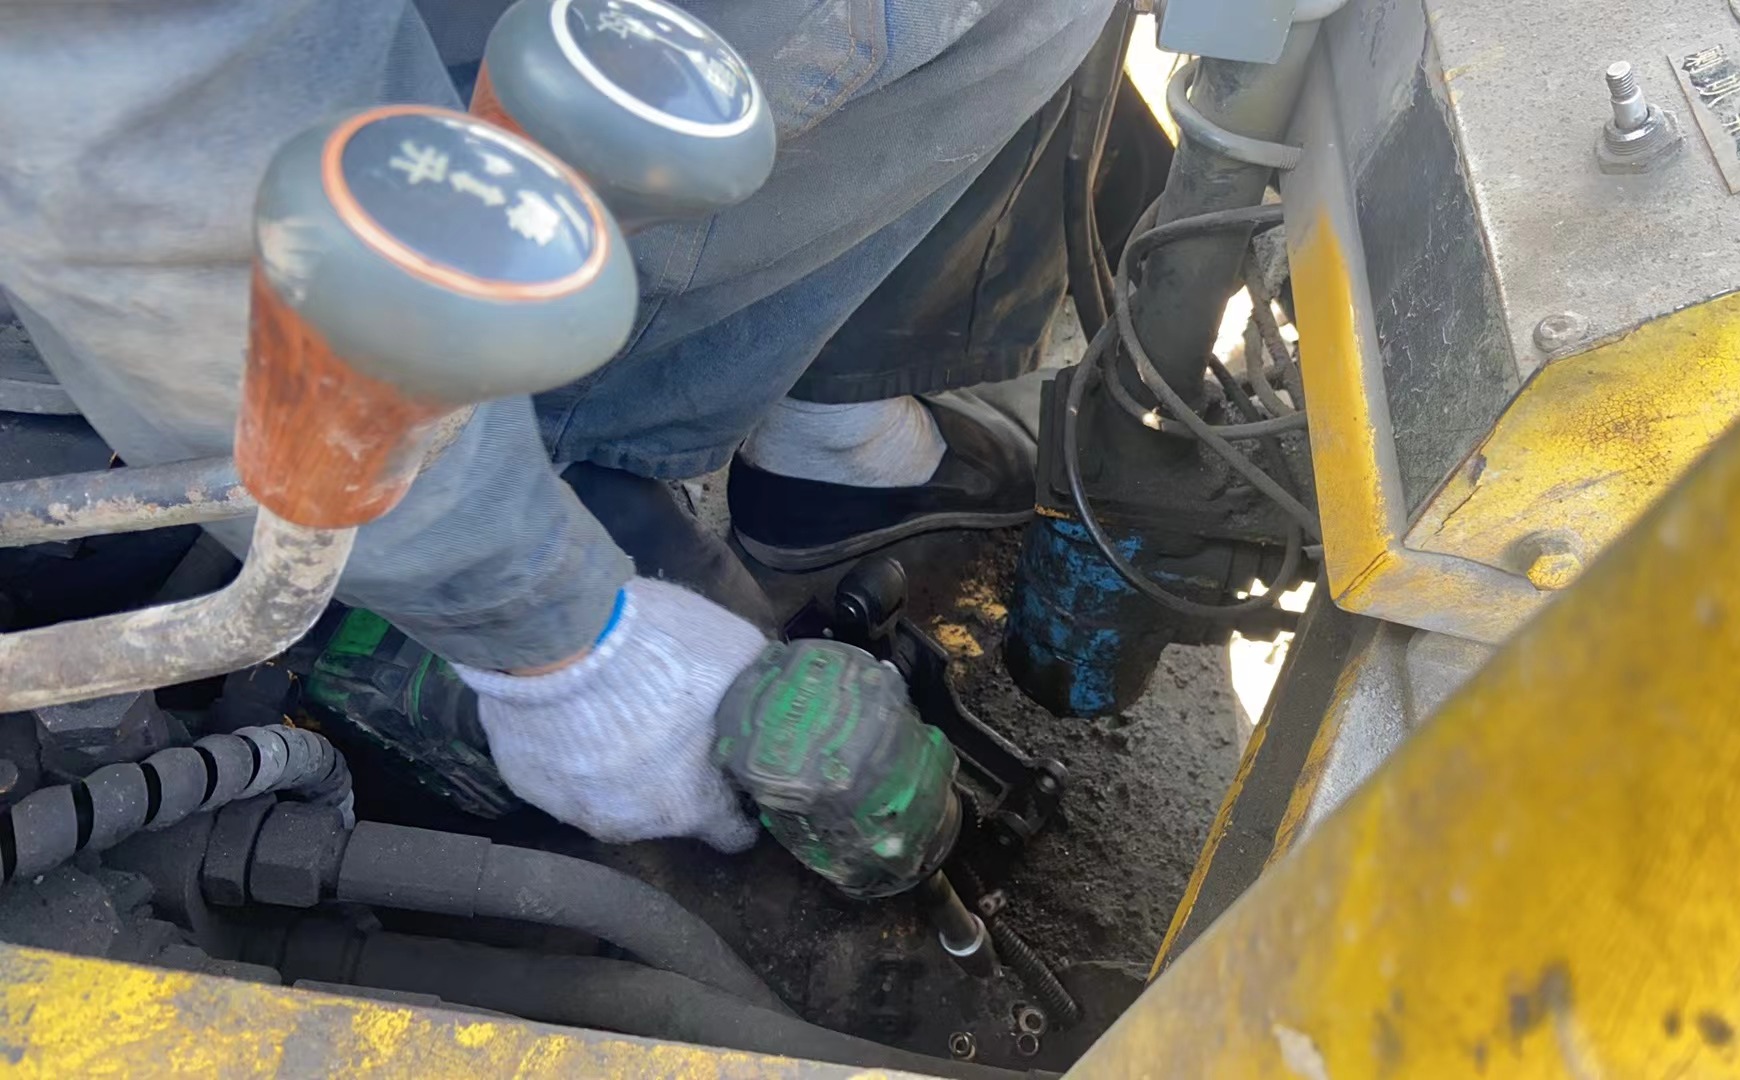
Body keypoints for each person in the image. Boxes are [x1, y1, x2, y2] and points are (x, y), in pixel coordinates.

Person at [0, 0, 1112, 848]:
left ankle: (728, 425)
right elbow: (153, 115)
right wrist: (548, 632)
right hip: (126, 217)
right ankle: (517, 470)